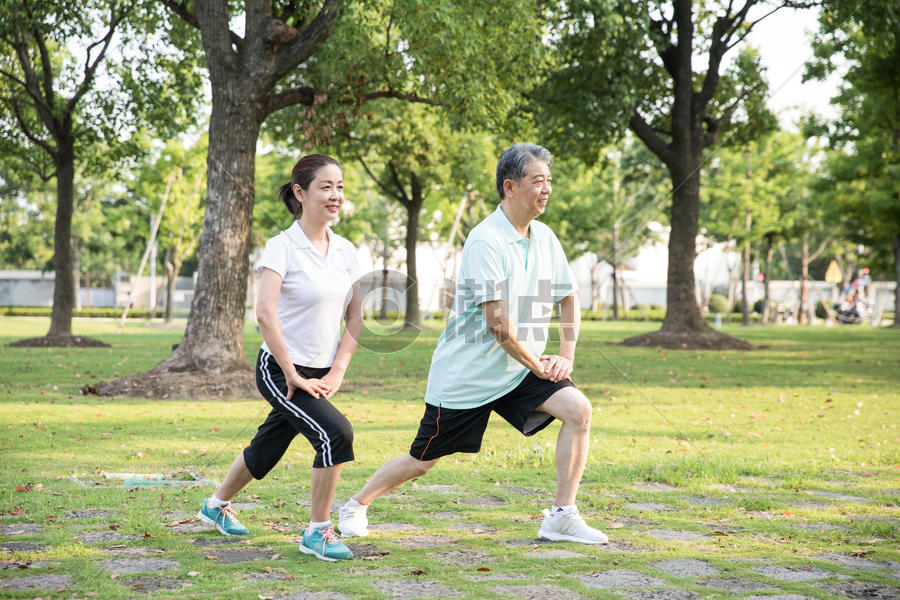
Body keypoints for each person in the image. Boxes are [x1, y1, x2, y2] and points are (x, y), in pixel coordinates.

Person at [338, 143, 607, 545]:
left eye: (550, 181)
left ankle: (562, 517)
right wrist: (539, 364)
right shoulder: (486, 241)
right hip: (467, 378)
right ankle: (356, 504)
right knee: (420, 462)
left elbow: (568, 296)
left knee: (578, 409)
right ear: (510, 186)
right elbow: (497, 324)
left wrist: (565, 356)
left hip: (518, 370)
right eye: (538, 181)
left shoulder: (546, 238)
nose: (547, 188)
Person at [197, 154, 363, 562]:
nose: (335, 195)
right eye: (326, 187)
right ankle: (318, 531)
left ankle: (215, 505)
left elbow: (357, 315)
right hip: (279, 368)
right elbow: (265, 313)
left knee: (270, 443)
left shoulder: (346, 251)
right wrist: (292, 375)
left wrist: (338, 370)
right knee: (335, 434)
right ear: (300, 193)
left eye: (340, 187)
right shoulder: (282, 246)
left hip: (320, 372)